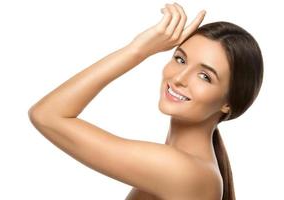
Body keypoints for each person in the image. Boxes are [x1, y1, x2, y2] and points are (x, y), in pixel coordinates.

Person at [28, 2, 263, 200]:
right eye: (180, 59)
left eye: (205, 76)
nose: (179, 78)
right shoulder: (191, 165)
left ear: (228, 104)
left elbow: (47, 115)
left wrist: (138, 50)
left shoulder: (184, 171)